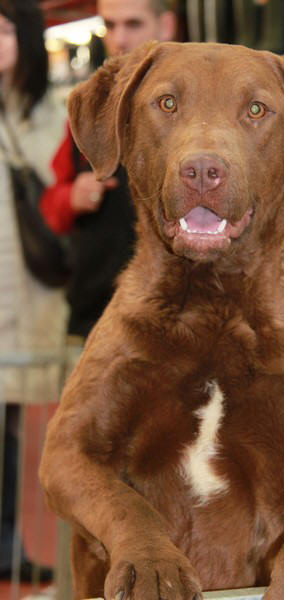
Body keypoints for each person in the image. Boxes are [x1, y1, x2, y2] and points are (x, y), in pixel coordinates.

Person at [40, 0, 177, 340]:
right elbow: (51, 207)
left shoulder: (196, 110)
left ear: (166, 26)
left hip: (176, 318)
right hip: (98, 316)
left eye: (133, 24)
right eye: (110, 26)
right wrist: (72, 197)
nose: (119, 39)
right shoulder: (90, 109)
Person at [0, 0, 68, 582]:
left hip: (32, 293)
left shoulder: (52, 111)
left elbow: (60, 192)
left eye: (1, 32)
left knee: (19, 425)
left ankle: (8, 543)